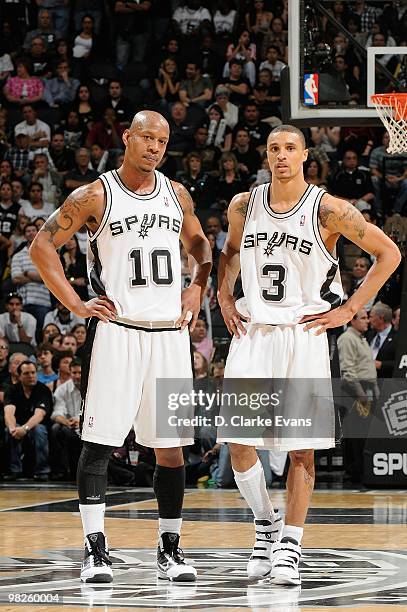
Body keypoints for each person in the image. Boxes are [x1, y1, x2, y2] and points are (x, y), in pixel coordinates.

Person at [29, 110, 212, 583]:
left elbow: (202, 246)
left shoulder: (177, 194)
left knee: (170, 451)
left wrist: (197, 286)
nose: (154, 147)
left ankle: (170, 549)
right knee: (99, 444)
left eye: (163, 141)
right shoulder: (94, 194)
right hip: (119, 331)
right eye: (146, 137)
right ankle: (95, 550)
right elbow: (42, 246)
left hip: (170, 336)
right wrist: (74, 302)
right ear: (128, 138)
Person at [216, 124, 400, 585]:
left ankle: (290, 546)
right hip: (254, 332)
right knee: (237, 441)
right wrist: (222, 296)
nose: (281, 156)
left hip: (303, 337)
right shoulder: (244, 204)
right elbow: (231, 252)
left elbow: (389, 253)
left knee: (302, 454)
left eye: (290, 149)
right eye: (274, 148)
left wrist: (350, 308)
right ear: (266, 155)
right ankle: (265, 523)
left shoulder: (327, 209)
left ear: (304, 156)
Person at [3, 360, 52, 481]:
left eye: (33, 372)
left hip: (36, 425)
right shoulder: (12, 390)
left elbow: (39, 415)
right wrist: (13, 428)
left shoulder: (43, 389)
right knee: (8, 431)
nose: (31, 376)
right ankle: (15, 470)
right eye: (26, 373)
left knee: (39, 430)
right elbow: (9, 412)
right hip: (18, 425)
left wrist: (24, 428)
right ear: (19, 376)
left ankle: (42, 471)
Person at [51, 357, 82, 479]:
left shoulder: (92, 388)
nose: (77, 376)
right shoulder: (62, 389)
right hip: (69, 425)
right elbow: (56, 413)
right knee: (56, 429)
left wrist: (79, 420)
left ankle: (74, 471)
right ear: (70, 373)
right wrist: (67, 422)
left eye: (80, 372)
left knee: (65, 431)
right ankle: (60, 470)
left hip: (86, 425)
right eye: (74, 373)